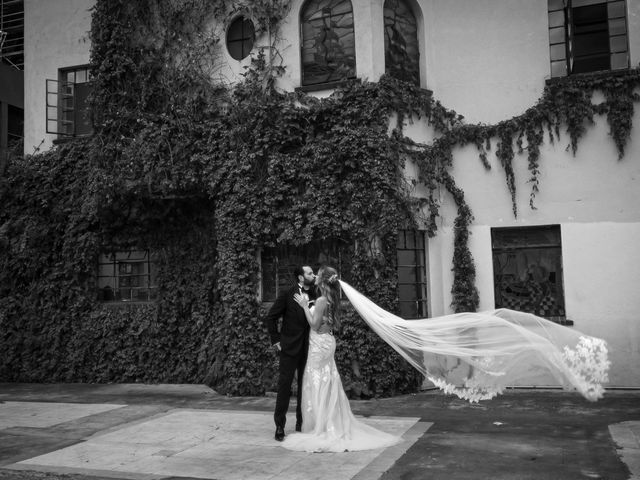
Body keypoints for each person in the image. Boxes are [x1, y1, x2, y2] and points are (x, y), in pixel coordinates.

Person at [280, 266, 402, 452]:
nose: (314, 277)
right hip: (328, 341)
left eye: (317, 275)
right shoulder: (332, 298)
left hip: (319, 344)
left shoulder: (321, 300)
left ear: (322, 280)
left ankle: (321, 426)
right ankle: (329, 421)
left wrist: (305, 306)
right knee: (328, 381)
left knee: (316, 382)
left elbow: (313, 324)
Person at [264, 265, 317, 441]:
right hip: (289, 347)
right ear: (301, 278)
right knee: (284, 387)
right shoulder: (288, 293)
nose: (313, 274)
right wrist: (276, 341)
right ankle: (279, 425)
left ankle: (301, 423)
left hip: (309, 348)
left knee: (305, 387)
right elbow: (271, 317)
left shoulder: (317, 294)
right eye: (309, 273)